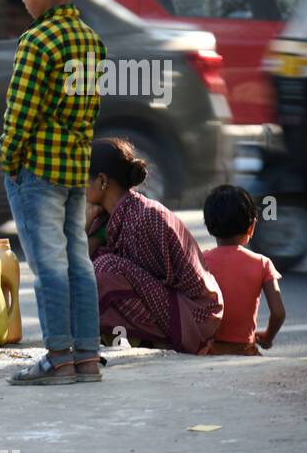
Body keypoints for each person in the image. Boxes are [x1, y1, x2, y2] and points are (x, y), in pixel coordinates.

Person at [0, 0, 107, 385]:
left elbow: (19, 115)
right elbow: (90, 111)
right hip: (74, 170)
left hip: (37, 172)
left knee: (48, 267)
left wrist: (8, 159)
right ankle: (85, 357)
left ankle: (57, 357)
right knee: (79, 262)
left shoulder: (35, 42)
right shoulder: (91, 41)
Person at [87, 138, 223, 354]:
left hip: (194, 314)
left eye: (83, 179)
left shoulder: (143, 218)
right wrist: (88, 226)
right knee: (90, 269)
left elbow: (154, 283)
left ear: (102, 181)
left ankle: (160, 341)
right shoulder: (110, 215)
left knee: (103, 269)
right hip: (165, 303)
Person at [200, 184, 286, 355]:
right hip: (244, 351)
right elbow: (278, 313)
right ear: (251, 227)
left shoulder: (200, 261)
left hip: (208, 351)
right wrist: (267, 338)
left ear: (209, 226)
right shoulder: (262, 264)